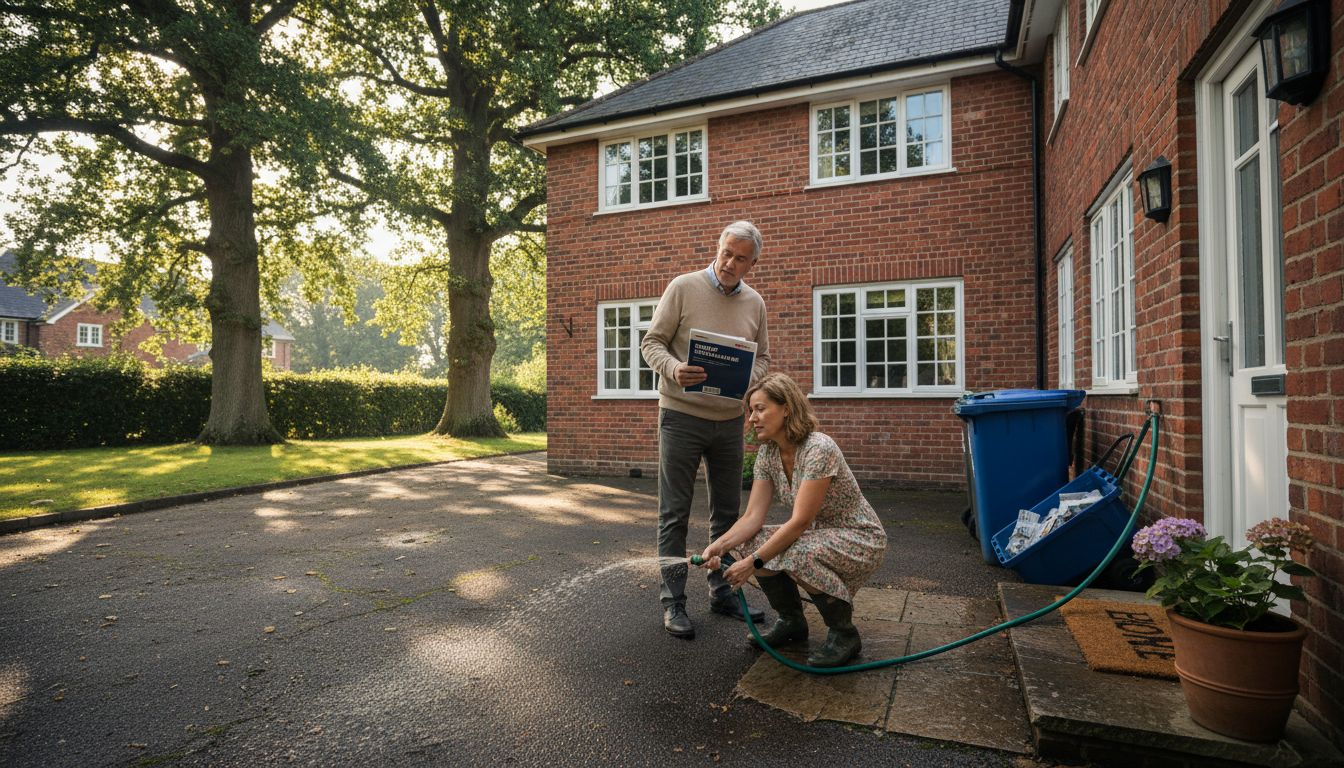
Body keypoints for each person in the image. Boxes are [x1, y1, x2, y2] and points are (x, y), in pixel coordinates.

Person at [695, 372, 887, 668]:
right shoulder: (768, 454)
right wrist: (717, 547)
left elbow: (799, 522)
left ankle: (844, 633)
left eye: (760, 409)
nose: (752, 418)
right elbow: (752, 517)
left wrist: (752, 564)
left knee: (796, 554)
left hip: (858, 536)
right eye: (750, 411)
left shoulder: (819, 448)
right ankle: (792, 622)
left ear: (786, 408)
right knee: (752, 541)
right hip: (819, 535)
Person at [641, 220, 771, 639]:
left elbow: (764, 359)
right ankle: (673, 602)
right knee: (674, 513)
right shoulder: (683, 287)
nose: (730, 263)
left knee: (728, 514)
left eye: (740, 258)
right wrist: (674, 368)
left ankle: (722, 591)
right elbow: (651, 343)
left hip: (729, 421)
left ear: (752, 264)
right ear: (718, 248)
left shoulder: (755, 304)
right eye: (726, 253)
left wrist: (748, 381)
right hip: (680, 416)